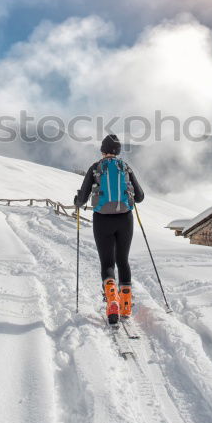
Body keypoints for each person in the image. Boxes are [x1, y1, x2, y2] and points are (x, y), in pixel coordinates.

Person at [73, 134, 144, 324]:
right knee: (123, 261)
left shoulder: (96, 167)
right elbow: (140, 197)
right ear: (118, 151)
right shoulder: (125, 167)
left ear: (103, 150)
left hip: (102, 219)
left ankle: (112, 300)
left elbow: (82, 199)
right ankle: (126, 305)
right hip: (125, 218)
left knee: (107, 263)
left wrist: (77, 201)